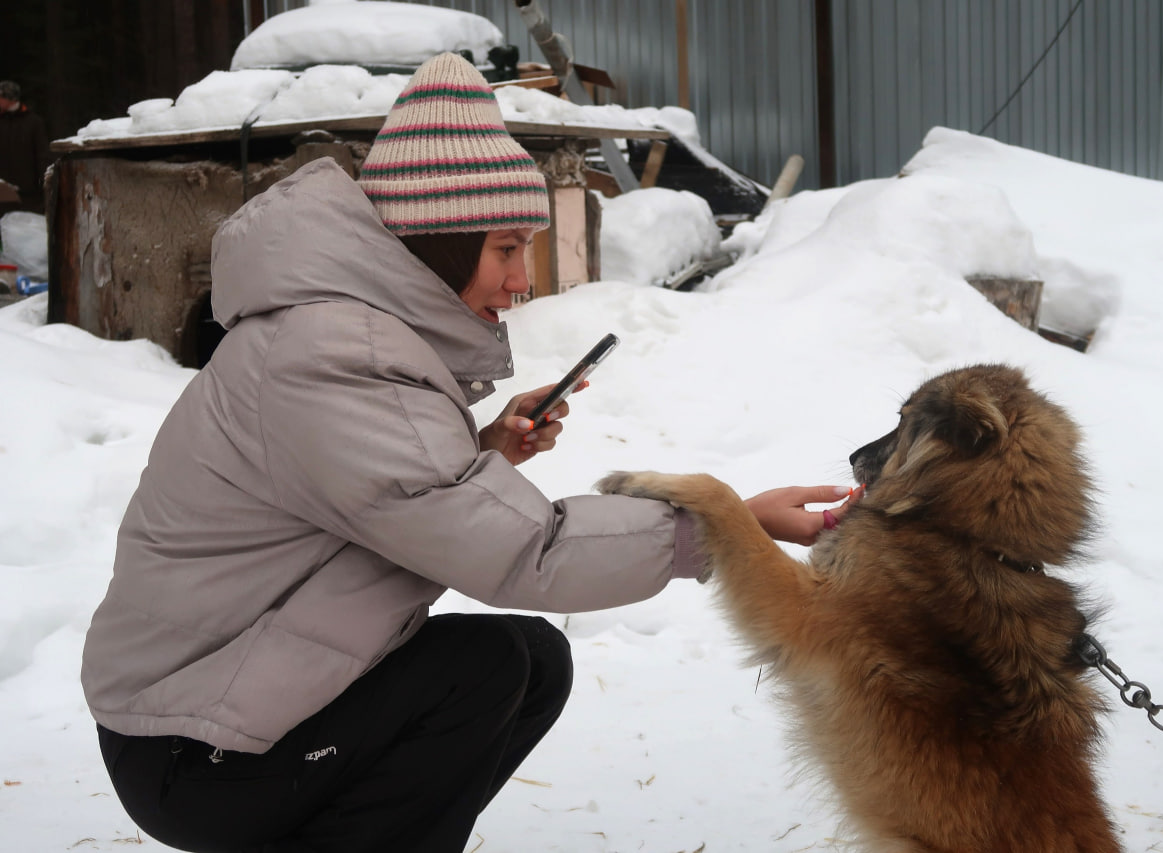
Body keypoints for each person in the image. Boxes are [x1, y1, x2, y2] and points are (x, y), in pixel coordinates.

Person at [81, 52, 857, 853]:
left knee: (529, 661)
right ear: (439, 242)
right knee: (478, 672)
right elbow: (527, 553)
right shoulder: (332, 353)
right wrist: (724, 526)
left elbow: (382, 499)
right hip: (186, 742)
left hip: (222, 702)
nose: (523, 280)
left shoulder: (343, 334)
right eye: (506, 248)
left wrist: (485, 449)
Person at [0, 80, 50, 215]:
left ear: (9, 98)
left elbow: (42, 155)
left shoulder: (33, 122)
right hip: (2, 194)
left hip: (29, 195)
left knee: (27, 232)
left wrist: (43, 184)